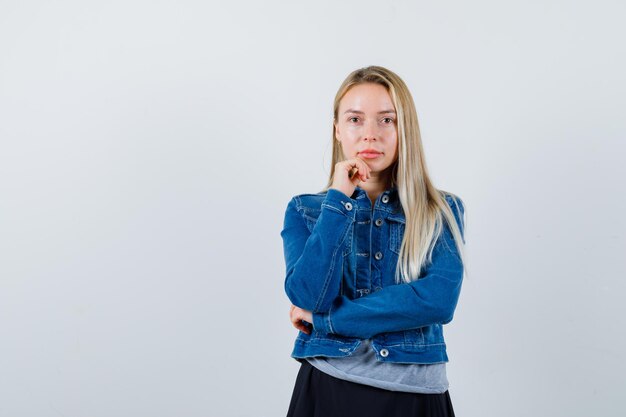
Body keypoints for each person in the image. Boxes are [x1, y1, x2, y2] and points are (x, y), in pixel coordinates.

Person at [280, 65, 467, 417]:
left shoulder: (442, 210)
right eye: (355, 120)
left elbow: (438, 302)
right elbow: (308, 295)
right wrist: (339, 199)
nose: (370, 135)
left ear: (404, 129)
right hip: (328, 387)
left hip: (416, 394)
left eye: (386, 120)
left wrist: (327, 322)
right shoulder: (305, 210)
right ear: (337, 129)